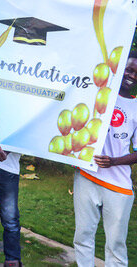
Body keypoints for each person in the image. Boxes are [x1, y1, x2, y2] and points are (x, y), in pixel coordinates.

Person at [73, 50, 137, 267]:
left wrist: (114, 162)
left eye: (136, 73)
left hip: (118, 185)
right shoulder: (98, 93)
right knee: (82, 237)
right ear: (120, 68)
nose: (132, 75)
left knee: (116, 245)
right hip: (87, 176)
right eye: (128, 69)